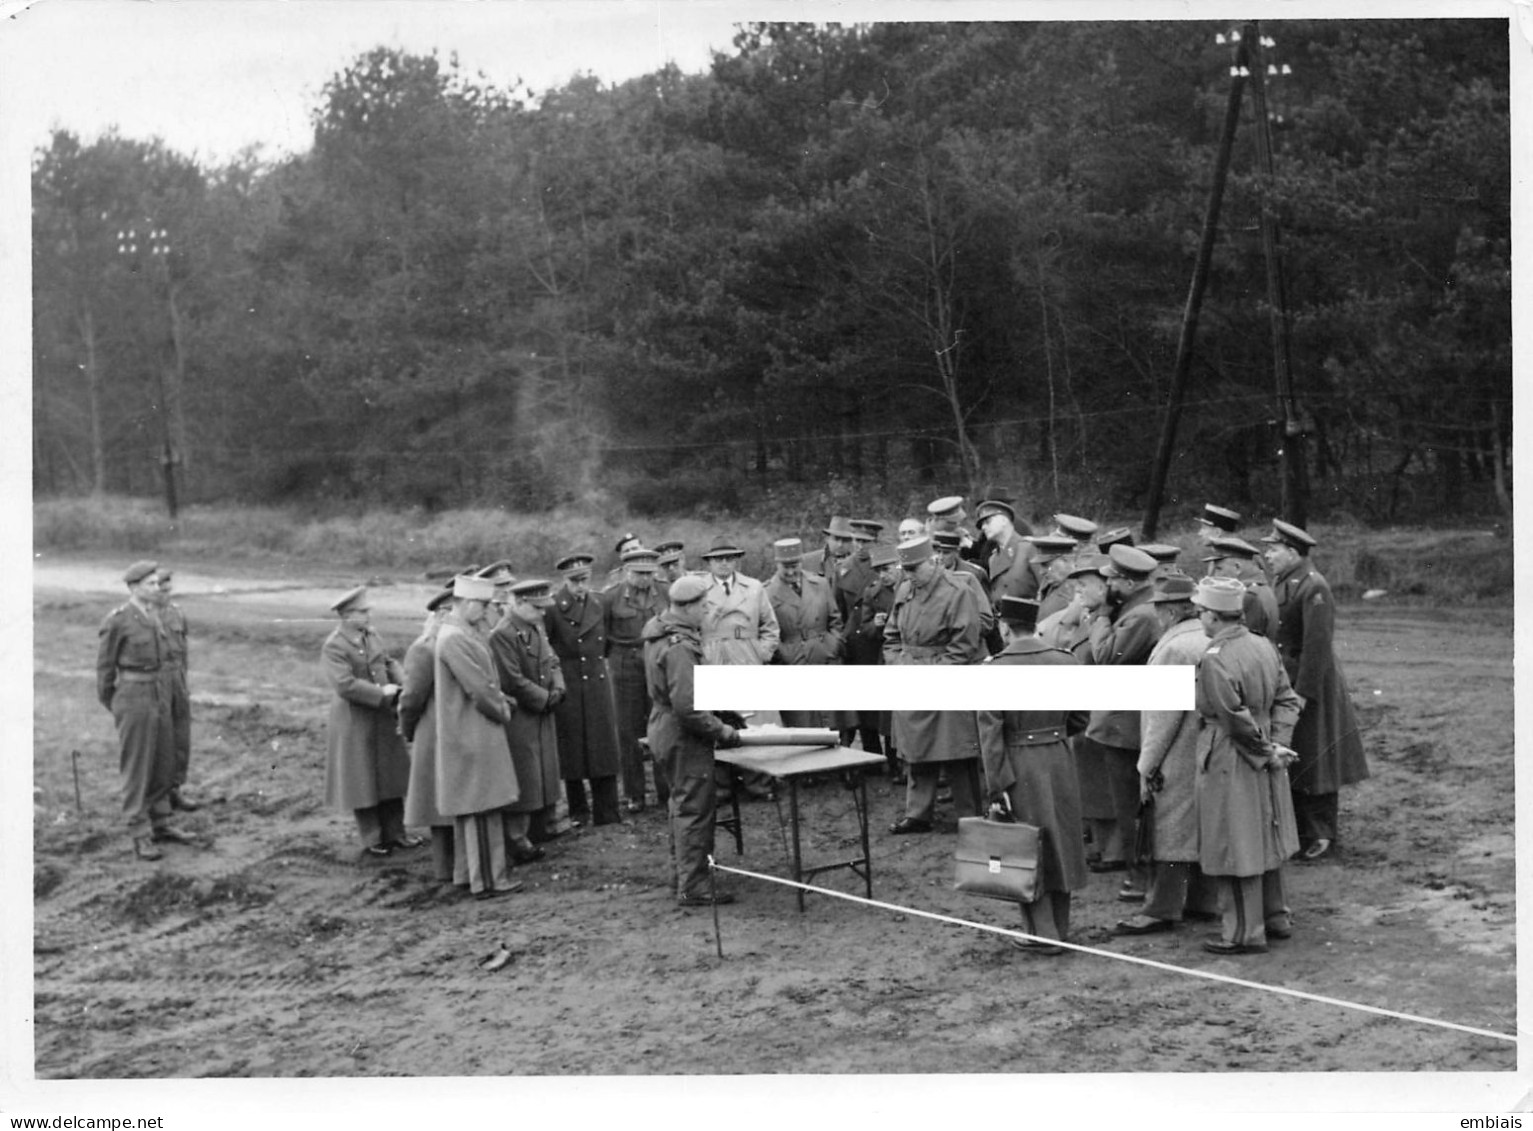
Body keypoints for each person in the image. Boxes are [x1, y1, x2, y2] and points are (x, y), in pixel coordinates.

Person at [1192, 576, 1303, 954]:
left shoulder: (1215, 658)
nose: (1200, 619)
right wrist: (1278, 745)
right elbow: (1288, 700)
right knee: (1265, 834)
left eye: (1202, 612)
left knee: (1234, 842)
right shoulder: (1264, 646)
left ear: (1213, 616)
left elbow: (1232, 718)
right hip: (1266, 749)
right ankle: (1276, 916)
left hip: (1231, 755)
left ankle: (1242, 932)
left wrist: (1264, 750)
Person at [976, 597, 1089, 955]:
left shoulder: (994, 670)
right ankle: (1061, 927)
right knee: (1062, 842)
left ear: (1005, 627)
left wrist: (996, 787)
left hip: (1018, 763)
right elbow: (1081, 719)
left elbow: (990, 735)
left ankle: (1042, 934)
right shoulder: (1066, 661)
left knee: (1025, 846)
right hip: (1059, 757)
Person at [1114, 575, 1219, 936]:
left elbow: (1163, 717)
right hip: (1206, 748)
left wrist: (1147, 763)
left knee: (1169, 829)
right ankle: (1203, 900)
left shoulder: (1174, 649)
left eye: (1159, 608)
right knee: (1198, 824)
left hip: (1176, 750)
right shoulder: (1205, 637)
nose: (1156, 615)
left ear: (1172, 610)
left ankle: (1161, 907)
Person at [1261, 519, 1369, 861]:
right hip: (1289, 681)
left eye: (1274, 549)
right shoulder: (1286, 582)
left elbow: (1317, 645)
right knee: (1297, 755)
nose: (1268, 555)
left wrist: (1302, 694)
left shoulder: (1313, 586)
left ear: (1292, 552)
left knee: (1316, 757)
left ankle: (1321, 834)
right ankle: (1303, 831)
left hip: (1311, 685)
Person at [642, 574, 743, 907]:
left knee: (680, 805)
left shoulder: (662, 633)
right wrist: (723, 731)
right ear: (686, 608)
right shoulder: (680, 646)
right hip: (683, 735)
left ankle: (683, 876)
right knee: (695, 809)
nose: (706, 611)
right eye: (702, 605)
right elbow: (688, 707)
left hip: (666, 727)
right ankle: (694, 886)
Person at [883, 535, 987, 834]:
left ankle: (970, 815)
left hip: (946, 678)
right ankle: (918, 813)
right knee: (916, 749)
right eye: (906, 569)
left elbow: (964, 645)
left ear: (933, 561)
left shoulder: (958, 591)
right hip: (910, 674)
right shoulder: (905, 589)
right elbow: (891, 636)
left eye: (915, 568)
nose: (910, 575)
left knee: (956, 751)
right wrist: (898, 664)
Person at [433, 574, 524, 900]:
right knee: (482, 807)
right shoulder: (455, 638)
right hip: (472, 733)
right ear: (467, 603)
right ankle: (488, 879)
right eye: (483, 606)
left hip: (471, 731)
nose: (487, 613)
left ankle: (472, 875)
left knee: (478, 807)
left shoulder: (458, 633)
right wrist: (503, 709)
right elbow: (481, 689)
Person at [96, 560, 189, 860]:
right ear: (134, 588)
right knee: (138, 767)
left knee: (163, 762)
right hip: (134, 696)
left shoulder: (156, 616)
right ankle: (139, 833)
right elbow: (105, 670)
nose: (157, 588)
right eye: (150, 584)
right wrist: (119, 702)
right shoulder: (119, 620)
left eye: (157, 583)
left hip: (159, 692)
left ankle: (161, 823)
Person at [321, 586, 422, 857]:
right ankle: (373, 838)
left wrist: (404, 682)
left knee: (390, 774)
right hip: (356, 721)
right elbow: (344, 685)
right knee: (362, 779)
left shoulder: (371, 636)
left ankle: (397, 832)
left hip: (382, 715)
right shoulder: (335, 645)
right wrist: (381, 693)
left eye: (368, 611)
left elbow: (388, 662)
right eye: (362, 612)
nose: (368, 616)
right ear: (345, 615)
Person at [545, 553, 623, 827]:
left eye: (584, 580)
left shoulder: (599, 602)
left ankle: (608, 811)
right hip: (570, 682)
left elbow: (609, 641)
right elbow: (547, 647)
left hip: (597, 682)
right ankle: (579, 811)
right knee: (572, 749)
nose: (580, 586)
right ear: (564, 580)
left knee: (603, 747)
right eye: (574, 581)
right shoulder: (553, 607)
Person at [700, 537, 780, 797]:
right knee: (719, 725)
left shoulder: (754, 588)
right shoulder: (699, 590)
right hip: (714, 663)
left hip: (747, 661)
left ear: (736, 560)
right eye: (718, 559)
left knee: (754, 725)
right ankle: (722, 787)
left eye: (729, 558)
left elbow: (770, 626)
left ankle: (759, 783)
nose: (724, 563)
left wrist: (761, 653)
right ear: (709, 563)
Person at [490, 579, 567, 846]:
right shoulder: (503, 633)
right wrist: (545, 698)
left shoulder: (535, 626)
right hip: (523, 713)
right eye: (537, 607)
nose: (543, 613)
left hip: (543, 709)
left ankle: (544, 825)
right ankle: (518, 837)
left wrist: (558, 687)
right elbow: (512, 679)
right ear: (520, 604)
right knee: (526, 775)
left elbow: (553, 660)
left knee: (545, 770)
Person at [603, 547, 667, 812]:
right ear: (627, 572)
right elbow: (603, 635)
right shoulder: (610, 597)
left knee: (661, 724)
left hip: (657, 661)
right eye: (639, 574)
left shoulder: (665, 591)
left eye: (649, 574)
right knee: (627, 730)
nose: (644, 579)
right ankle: (634, 794)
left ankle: (666, 789)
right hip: (624, 664)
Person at [400, 583, 457, 884]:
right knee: (438, 807)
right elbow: (410, 699)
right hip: (433, 733)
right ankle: (445, 870)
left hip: (443, 732)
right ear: (441, 614)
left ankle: (453, 868)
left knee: (448, 803)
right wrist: (410, 731)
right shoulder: (424, 648)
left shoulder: (445, 643)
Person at [764, 537, 845, 728]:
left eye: (795, 565)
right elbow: (766, 631)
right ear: (777, 564)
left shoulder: (820, 584)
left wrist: (831, 646)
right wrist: (785, 654)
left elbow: (836, 619)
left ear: (801, 561)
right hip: (792, 665)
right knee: (802, 726)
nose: (791, 571)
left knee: (832, 725)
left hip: (823, 659)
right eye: (786, 567)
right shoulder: (766, 592)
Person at [845, 543, 903, 777]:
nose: (884, 575)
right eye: (879, 571)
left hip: (908, 652)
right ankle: (894, 765)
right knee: (888, 716)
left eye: (887, 569)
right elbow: (863, 628)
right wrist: (875, 625)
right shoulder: (873, 592)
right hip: (885, 656)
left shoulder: (909, 587)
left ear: (898, 566)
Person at [152, 567, 198, 812]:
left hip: (177, 680)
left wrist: (184, 683)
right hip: (156, 682)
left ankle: (175, 789)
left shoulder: (177, 613)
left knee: (181, 737)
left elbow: (184, 651)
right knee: (162, 739)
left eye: (168, 588)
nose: (165, 593)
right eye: (160, 588)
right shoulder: (144, 616)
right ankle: (158, 796)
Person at [1202, 535, 1279, 637]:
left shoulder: (1247, 596)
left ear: (1237, 567)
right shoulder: (1260, 589)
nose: (1215, 576)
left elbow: (1244, 641)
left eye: (1219, 569)